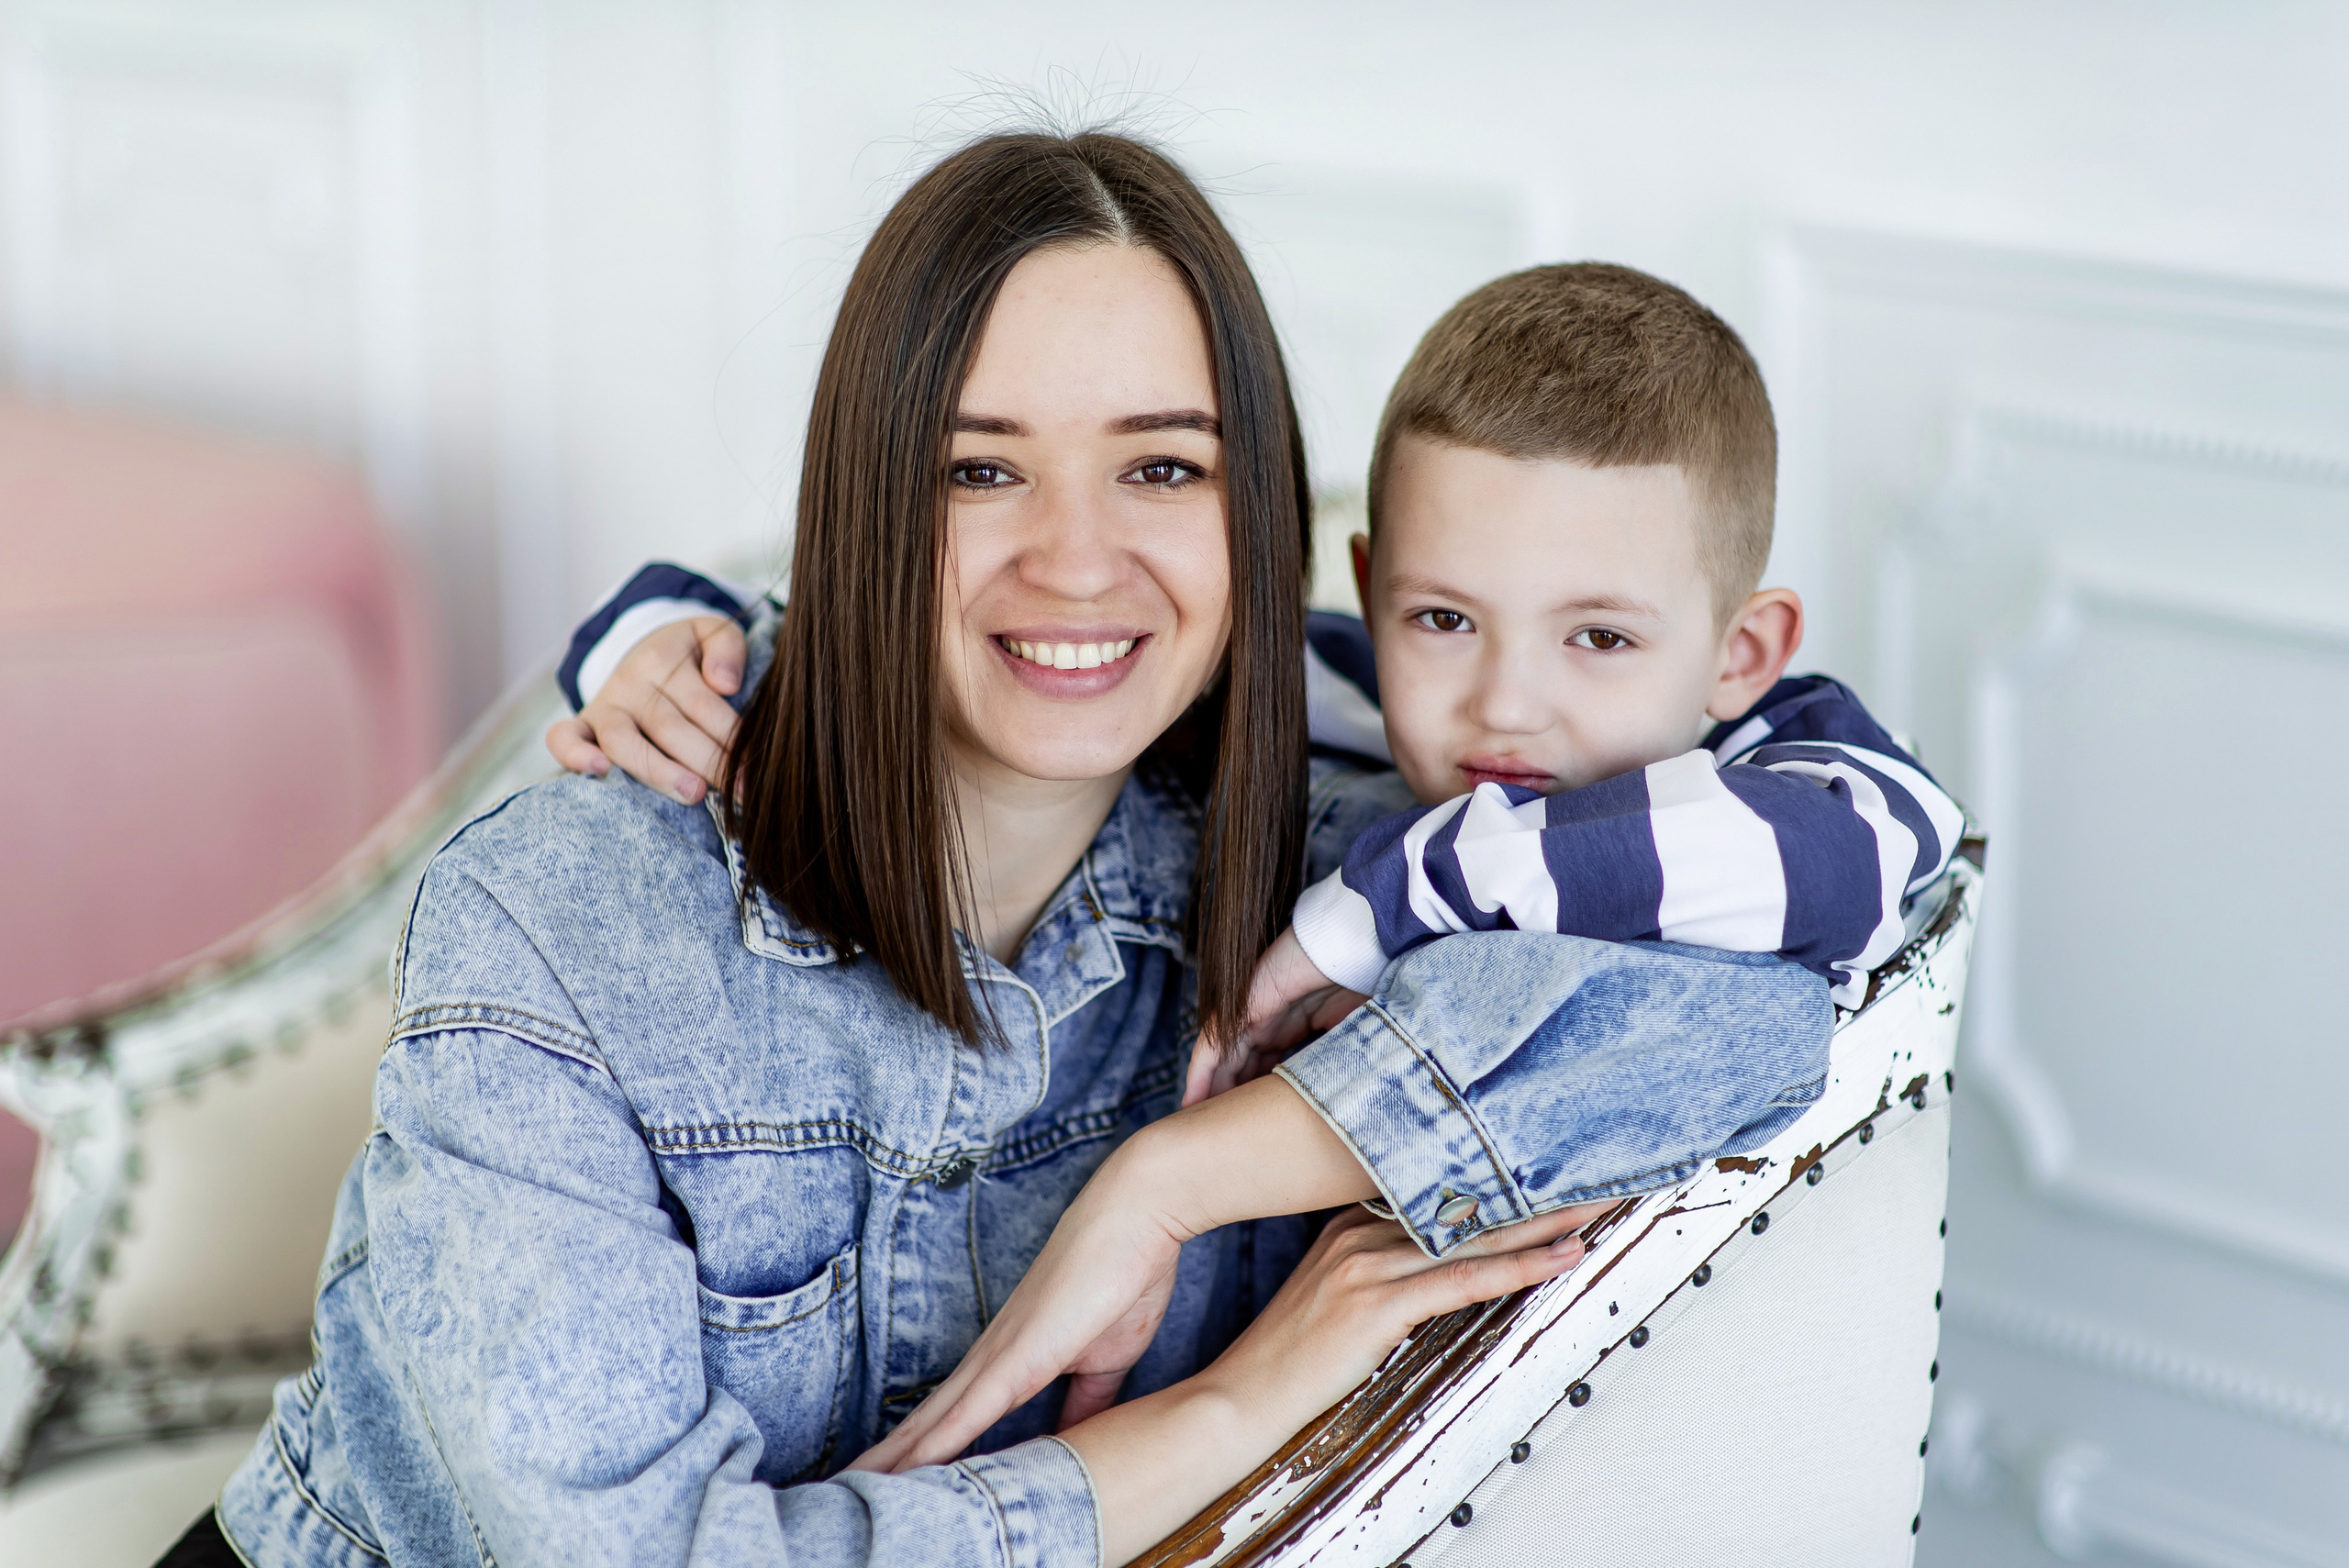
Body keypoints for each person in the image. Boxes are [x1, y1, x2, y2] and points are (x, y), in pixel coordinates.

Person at [181, 131, 1825, 1568]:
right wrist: (1229, 1409)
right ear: (870, 503)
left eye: (1161, 465)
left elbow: (1766, 1001)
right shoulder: (568, 920)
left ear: (1257, 524)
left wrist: (1180, 1177)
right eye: (981, 469)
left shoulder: (1330, 869)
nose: (1079, 559)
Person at [546, 265, 1945, 1477]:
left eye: (1600, 639)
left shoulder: (1797, 767)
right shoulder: (1348, 687)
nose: (1506, 704)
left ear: (1742, 652)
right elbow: (935, 631)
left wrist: (1380, 904)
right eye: (1444, 618)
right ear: (1370, 586)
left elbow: (1855, 859)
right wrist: (662, 646)